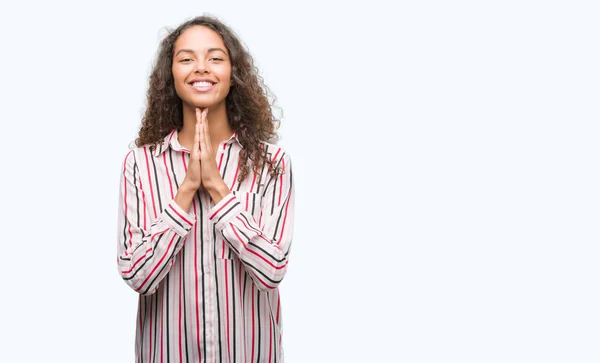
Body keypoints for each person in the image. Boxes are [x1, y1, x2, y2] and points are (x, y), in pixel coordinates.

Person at [116, 15, 294, 363]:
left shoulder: (272, 163)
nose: (201, 68)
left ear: (233, 73)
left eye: (215, 58)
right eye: (186, 58)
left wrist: (216, 187)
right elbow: (137, 275)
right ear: (171, 76)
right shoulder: (139, 164)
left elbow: (273, 269)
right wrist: (185, 193)